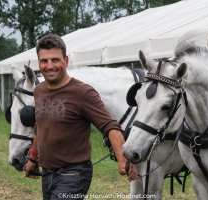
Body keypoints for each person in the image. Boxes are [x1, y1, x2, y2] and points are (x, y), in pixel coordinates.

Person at [24, 34, 138, 199]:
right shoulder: (39, 91)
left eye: (55, 60)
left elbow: (111, 127)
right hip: (48, 174)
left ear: (66, 61)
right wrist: (33, 160)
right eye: (44, 61)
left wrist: (122, 159)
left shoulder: (83, 93)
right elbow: (40, 129)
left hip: (74, 174)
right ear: (38, 63)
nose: (49, 66)